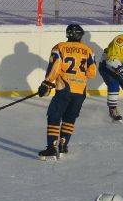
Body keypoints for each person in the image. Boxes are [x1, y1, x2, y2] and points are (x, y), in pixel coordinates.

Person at [36, 23, 97, 160]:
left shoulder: (60, 47)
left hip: (64, 89)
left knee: (54, 116)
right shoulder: (88, 50)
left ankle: (52, 148)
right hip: (80, 91)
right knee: (70, 118)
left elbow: (55, 67)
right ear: (80, 36)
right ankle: (63, 145)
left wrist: (47, 82)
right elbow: (92, 73)